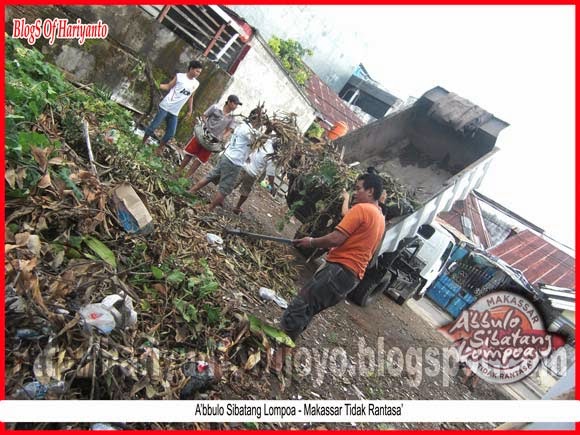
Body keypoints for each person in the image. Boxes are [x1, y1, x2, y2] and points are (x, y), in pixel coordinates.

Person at [273, 172, 386, 373]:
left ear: (370, 191)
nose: (356, 192)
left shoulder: (362, 209)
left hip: (338, 270)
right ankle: (284, 353)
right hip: (350, 279)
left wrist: (311, 241)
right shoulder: (379, 217)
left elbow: (335, 239)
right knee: (308, 310)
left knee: (300, 306)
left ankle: (277, 359)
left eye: (359, 188)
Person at [189, 108, 265, 210]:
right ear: (255, 119)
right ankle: (210, 207)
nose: (262, 123)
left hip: (227, 156)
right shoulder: (249, 131)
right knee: (225, 189)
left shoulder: (242, 126)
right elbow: (260, 139)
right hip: (234, 163)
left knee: (210, 176)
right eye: (261, 119)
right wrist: (269, 130)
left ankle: (192, 190)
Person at [142, 60, 203, 156]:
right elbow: (168, 86)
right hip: (166, 106)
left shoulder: (196, 83)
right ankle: (142, 143)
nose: (198, 74)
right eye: (197, 71)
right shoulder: (180, 76)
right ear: (191, 69)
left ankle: (159, 148)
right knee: (153, 126)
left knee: (171, 133)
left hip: (175, 112)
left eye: (199, 72)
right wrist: (156, 84)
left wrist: (190, 110)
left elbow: (191, 96)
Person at [176, 95, 242, 179]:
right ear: (229, 101)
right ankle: (179, 171)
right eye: (234, 104)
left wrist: (223, 136)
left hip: (213, 141)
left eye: (237, 105)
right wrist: (204, 125)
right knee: (189, 153)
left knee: (199, 160)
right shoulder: (216, 107)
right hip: (202, 134)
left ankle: (186, 177)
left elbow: (229, 129)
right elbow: (204, 115)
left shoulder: (232, 117)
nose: (236, 106)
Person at [232, 137, 278, 214]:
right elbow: (270, 174)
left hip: (244, 165)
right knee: (245, 192)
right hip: (252, 173)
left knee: (233, 183)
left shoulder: (267, 143)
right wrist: (272, 186)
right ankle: (237, 207)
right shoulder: (272, 157)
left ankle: (221, 197)